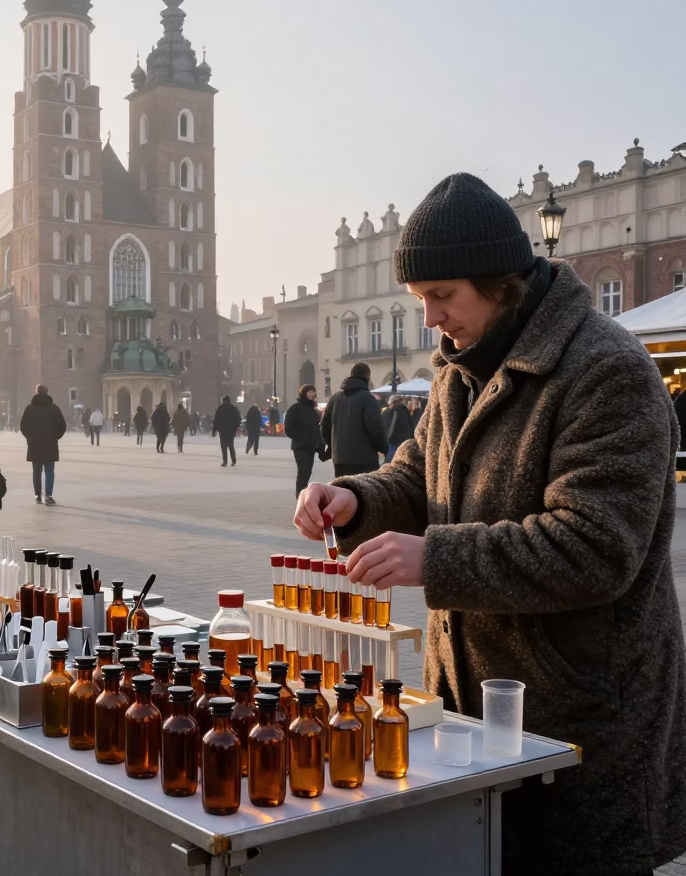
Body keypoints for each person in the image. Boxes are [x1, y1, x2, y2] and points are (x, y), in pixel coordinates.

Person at [294, 172, 686, 876]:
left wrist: (432, 560)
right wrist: (355, 499)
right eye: (420, 301)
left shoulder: (606, 371)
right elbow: (417, 474)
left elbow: (596, 548)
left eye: (442, 297)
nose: (430, 320)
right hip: (477, 712)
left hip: (580, 718)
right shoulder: (459, 369)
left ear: (500, 281)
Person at [320, 363, 387, 477]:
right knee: (364, 493)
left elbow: (324, 427)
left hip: (340, 459)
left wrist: (333, 446)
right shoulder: (368, 399)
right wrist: (384, 448)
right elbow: (375, 429)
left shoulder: (335, 398)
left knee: (343, 491)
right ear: (367, 378)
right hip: (364, 460)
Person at [20, 384, 67, 505]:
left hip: (34, 444)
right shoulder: (54, 408)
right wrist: (56, 436)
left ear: (36, 392)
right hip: (50, 443)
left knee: (36, 470)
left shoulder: (29, 409)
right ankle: (48, 495)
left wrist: (30, 437)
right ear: (47, 393)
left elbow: (23, 426)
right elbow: (62, 426)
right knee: (49, 469)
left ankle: (37, 495)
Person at [283, 384, 325, 497]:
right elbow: (288, 429)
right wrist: (302, 438)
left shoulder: (314, 409)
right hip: (300, 446)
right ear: (303, 393)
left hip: (312, 446)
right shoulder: (294, 409)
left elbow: (317, 429)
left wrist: (320, 445)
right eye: (310, 392)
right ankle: (300, 495)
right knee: (303, 471)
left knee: (307, 471)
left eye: (313, 392)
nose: (312, 394)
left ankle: (302, 494)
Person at [212, 395, 241, 467]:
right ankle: (233, 460)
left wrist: (214, 430)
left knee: (223, 446)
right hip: (231, 430)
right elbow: (238, 419)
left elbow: (216, 420)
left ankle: (225, 461)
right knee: (231, 445)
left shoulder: (220, 408)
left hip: (222, 430)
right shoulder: (233, 408)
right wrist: (235, 427)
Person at [384, 394, 414, 462]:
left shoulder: (388, 411)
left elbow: (385, 424)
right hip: (402, 437)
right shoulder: (404, 410)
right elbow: (408, 424)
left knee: (390, 456)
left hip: (391, 437)